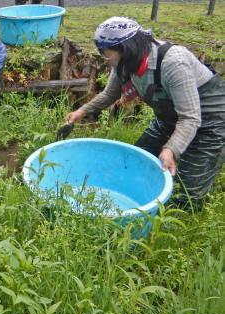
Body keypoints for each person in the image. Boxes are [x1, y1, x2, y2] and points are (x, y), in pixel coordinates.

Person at [66, 16, 225, 210]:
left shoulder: (174, 63)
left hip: (211, 121)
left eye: (107, 55)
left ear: (126, 48)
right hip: (169, 119)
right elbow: (110, 94)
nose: (106, 60)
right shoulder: (124, 63)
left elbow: (191, 117)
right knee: (135, 165)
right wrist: (81, 112)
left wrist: (171, 149)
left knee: (185, 197)